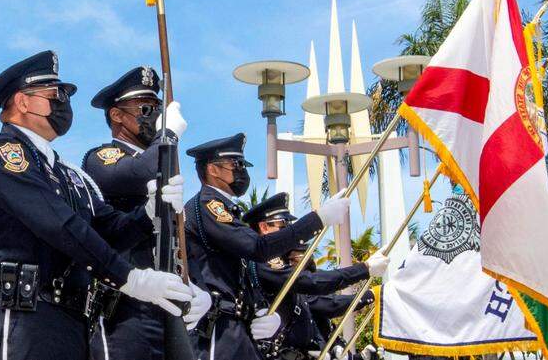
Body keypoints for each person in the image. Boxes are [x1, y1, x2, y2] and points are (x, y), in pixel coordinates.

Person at [0, 51, 207, 360]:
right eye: (55, 94)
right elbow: (58, 223)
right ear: (23, 102)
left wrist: (150, 212)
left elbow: (107, 229)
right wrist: (130, 278)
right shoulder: (3, 152)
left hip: (73, 318)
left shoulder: (68, 174)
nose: (64, 102)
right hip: (25, 315)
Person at [184, 134, 352, 360]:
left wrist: (260, 310)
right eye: (236, 164)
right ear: (213, 170)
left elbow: (243, 272)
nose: (242, 171)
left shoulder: (228, 211)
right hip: (217, 326)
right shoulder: (209, 205)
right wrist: (317, 219)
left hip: (236, 326)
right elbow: (258, 248)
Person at [82, 66, 206, 360]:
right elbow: (140, 171)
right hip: (126, 310)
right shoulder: (102, 157)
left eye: (158, 109)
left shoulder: (161, 159)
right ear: (117, 115)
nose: (155, 117)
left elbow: (179, 239)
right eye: (146, 108)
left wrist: (200, 289)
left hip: (170, 307)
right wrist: (169, 136)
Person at [241, 193, 388, 360]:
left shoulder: (278, 265)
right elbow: (314, 284)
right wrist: (364, 270)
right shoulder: (264, 262)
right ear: (264, 227)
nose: (288, 233)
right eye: (283, 226)